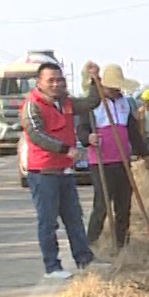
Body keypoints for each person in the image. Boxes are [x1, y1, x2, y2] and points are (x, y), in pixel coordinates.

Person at [20, 62, 103, 280]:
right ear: (39, 83)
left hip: (64, 171)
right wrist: (65, 149)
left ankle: (84, 259)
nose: (56, 84)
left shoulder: (65, 102)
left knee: (74, 217)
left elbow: (91, 102)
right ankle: (52, 266)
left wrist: (94, 80)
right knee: (48, 222)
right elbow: (37, 135)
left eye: (60, 80)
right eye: (51, 80)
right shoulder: (32, 105)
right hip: (43, 172)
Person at [83, 64, 149, 251]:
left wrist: (145, 154)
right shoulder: (93, 104)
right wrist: (88, 138)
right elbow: (81, 130)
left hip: (122, 161)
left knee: (124, 204)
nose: (116, 90)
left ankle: (122, 243)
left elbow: (132, 132)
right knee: (102, 205)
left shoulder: (123, 103)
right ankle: (91, 244)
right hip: (101, 162)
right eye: (112, 87)